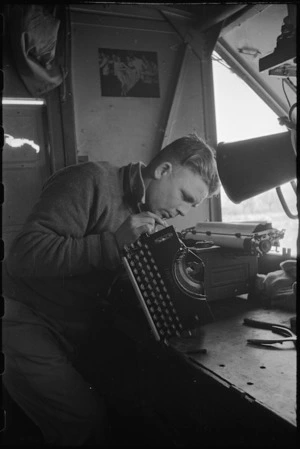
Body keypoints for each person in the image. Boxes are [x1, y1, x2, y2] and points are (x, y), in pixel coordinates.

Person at [2, 133, 220, 446]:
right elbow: (24, 256)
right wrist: (114, 244)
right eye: (186, 196)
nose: (185, 210)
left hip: (73, 327)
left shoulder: (147, 215)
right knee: (84, 420)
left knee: (133, 407)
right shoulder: (90, 181)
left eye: (194, 205)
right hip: (25, 319)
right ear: (163, 171)